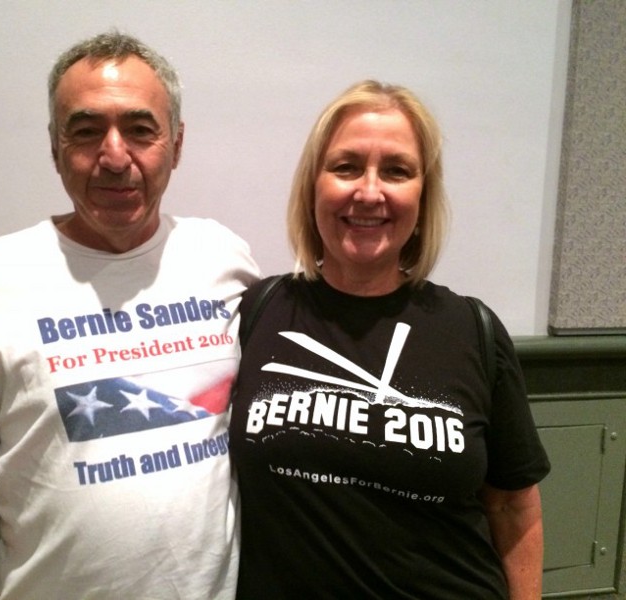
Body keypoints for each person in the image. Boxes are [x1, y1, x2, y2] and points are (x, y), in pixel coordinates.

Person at [0, 31, 259, 600]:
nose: (114, 157)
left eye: (140, 130)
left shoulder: (225, 259)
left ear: (177, 143)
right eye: (87, 131)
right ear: (54, 147)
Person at [229, 80, 549, 599]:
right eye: (346, 166)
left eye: (397, 170)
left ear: (423, 194)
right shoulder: (258, 314)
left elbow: (514, 506)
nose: (370, 191)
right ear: (314, 184)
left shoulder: (473, 329)